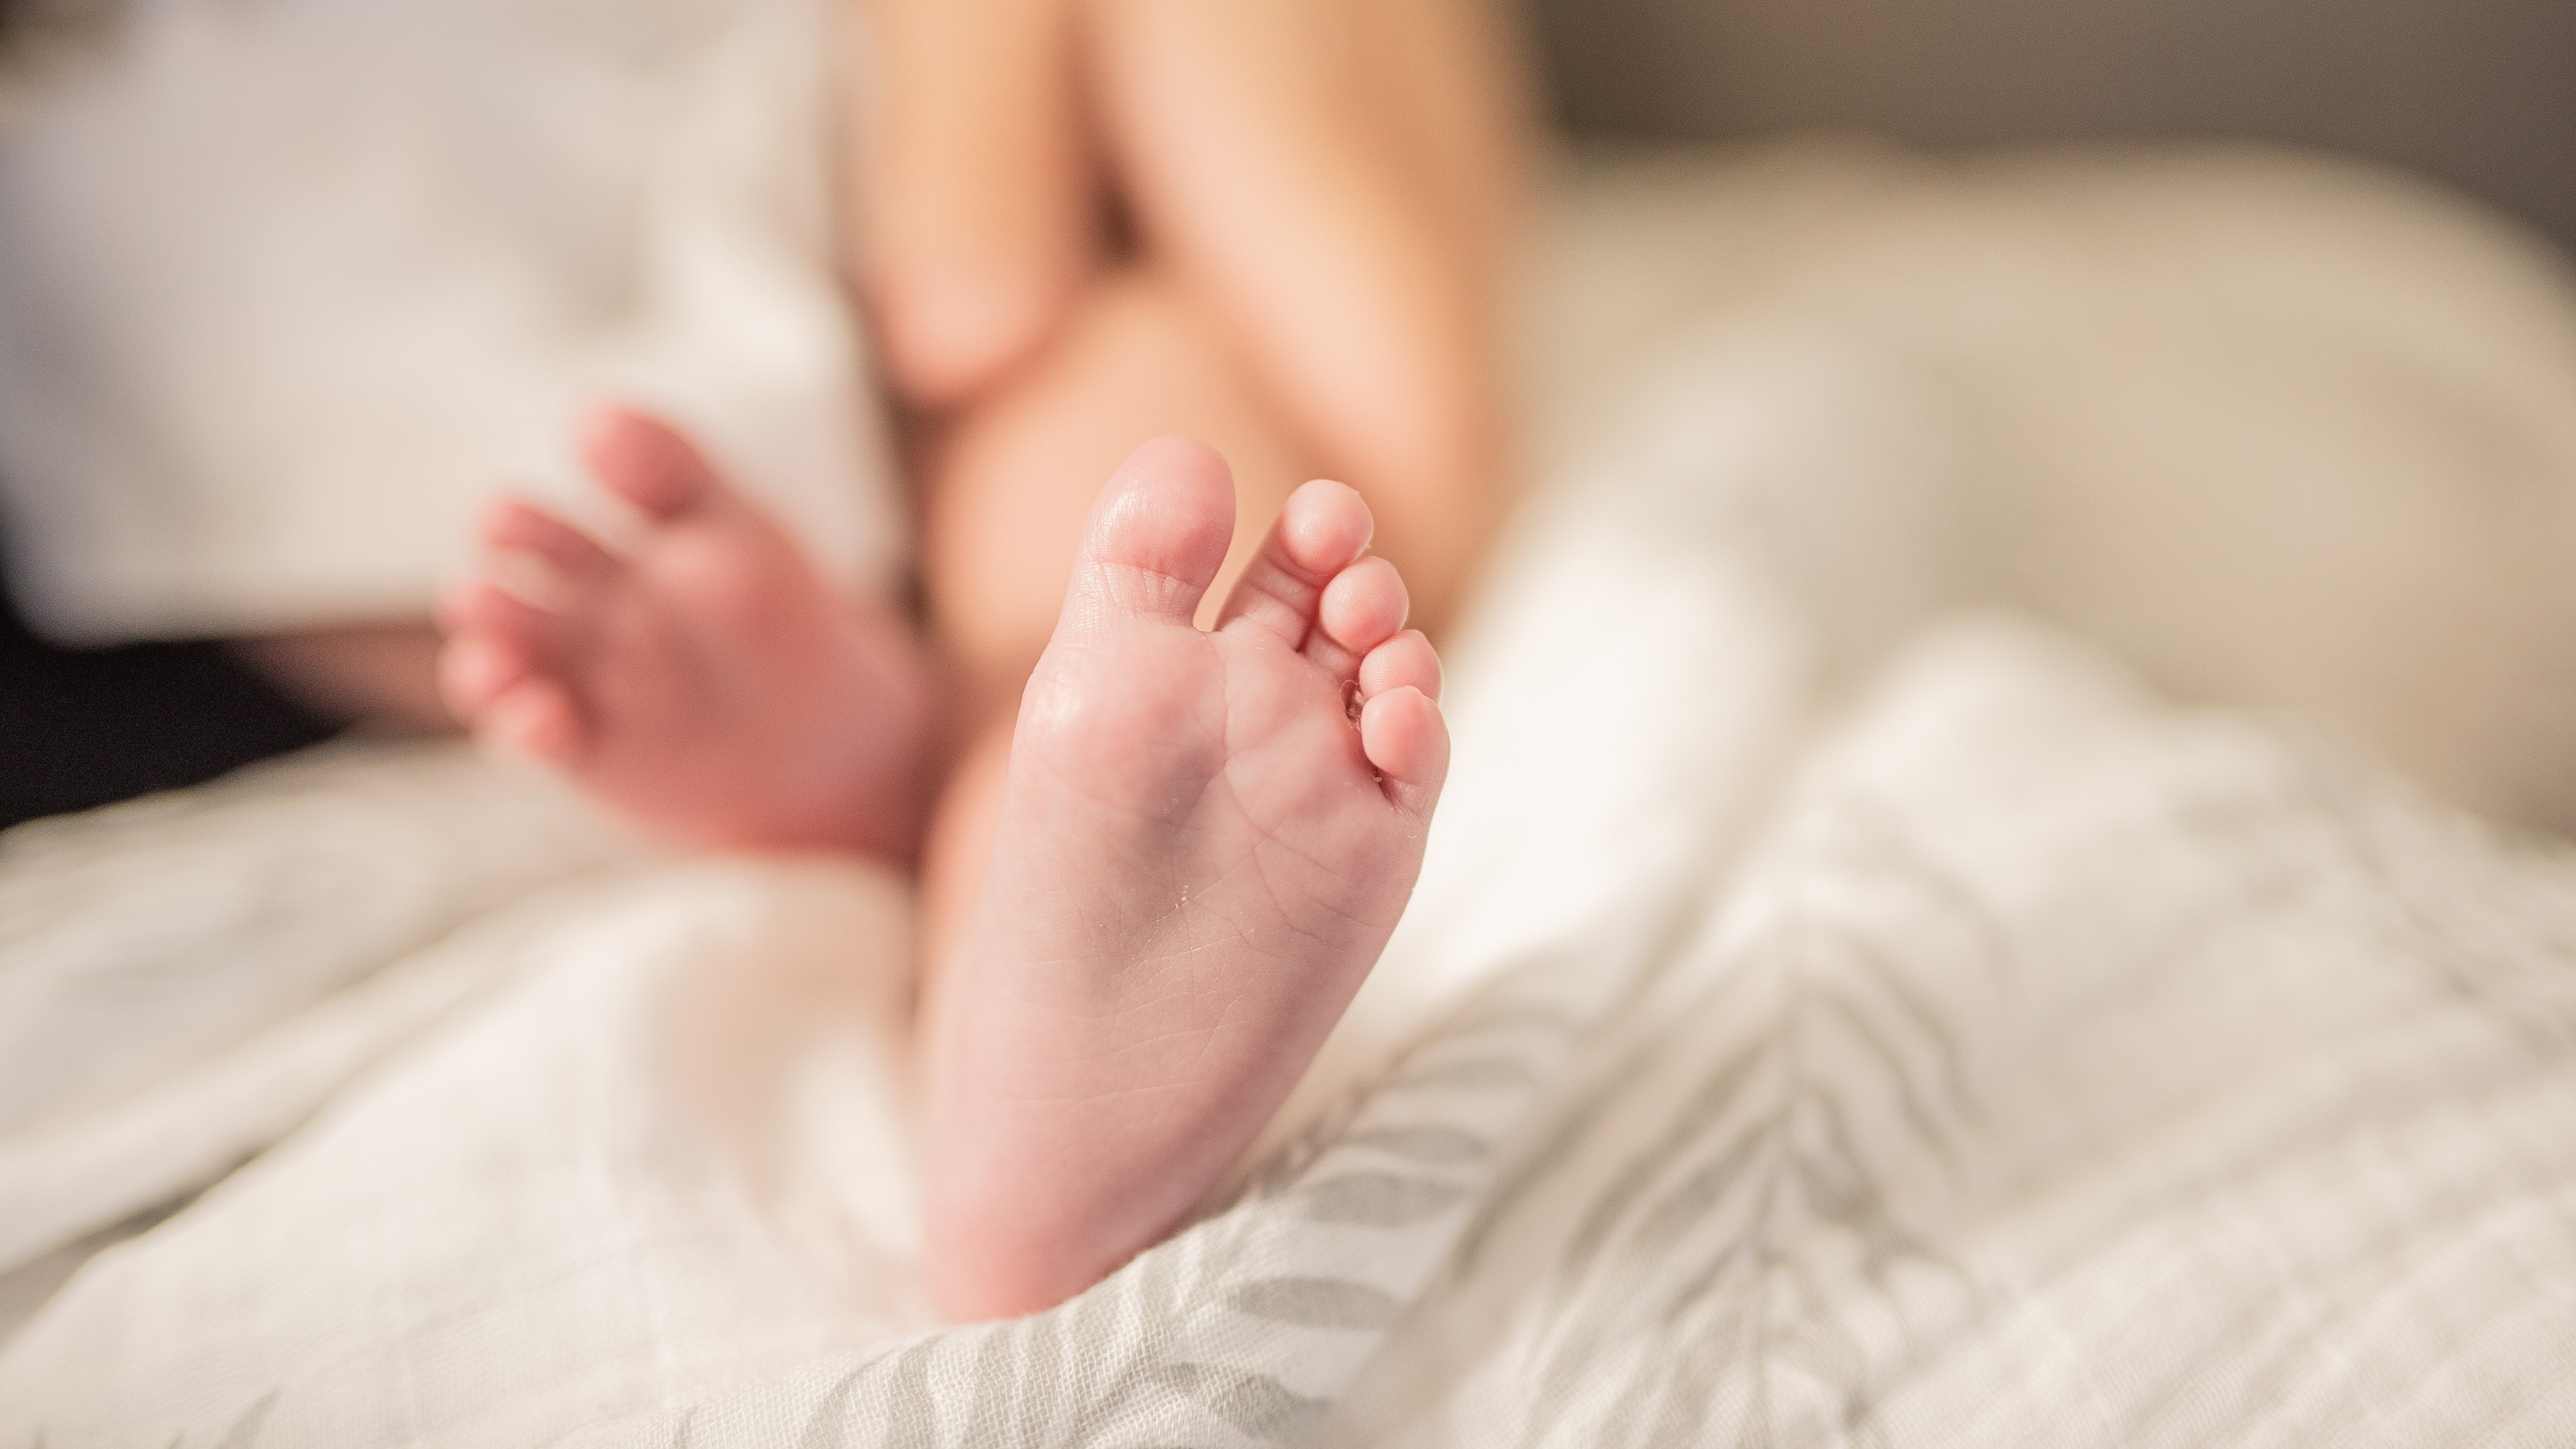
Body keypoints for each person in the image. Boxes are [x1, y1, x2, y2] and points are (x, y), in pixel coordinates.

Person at [0, 0, 1533, 1318]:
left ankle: (952, 872)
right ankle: (970, 814)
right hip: (554, 186)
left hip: (347, 387)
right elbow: (972, 290)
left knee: (1126, 536)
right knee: (1129, 416)